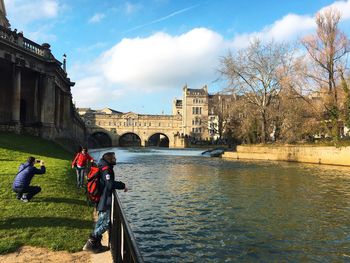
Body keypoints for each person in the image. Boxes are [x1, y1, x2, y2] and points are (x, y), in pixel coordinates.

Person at [83, 152, 128, 252]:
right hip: (104, 199)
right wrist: (122, 185)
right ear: (109, 159)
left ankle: (96, 244)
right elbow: (109, 184)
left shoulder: (103, 166)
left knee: (100, 222)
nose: (116, 159)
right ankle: (91, 241)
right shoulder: (106, 169)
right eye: (114, 158)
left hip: (101, 198)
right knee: (106, 223)